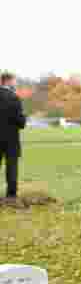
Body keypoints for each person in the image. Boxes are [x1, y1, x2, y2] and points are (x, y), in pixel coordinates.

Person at [0, 71, 26, 199]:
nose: (15, 83)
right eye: (14, 81)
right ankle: (11, 195)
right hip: (11, 139)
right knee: (11, 167)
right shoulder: (14, 98)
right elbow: (21, 122)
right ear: (8, 81)